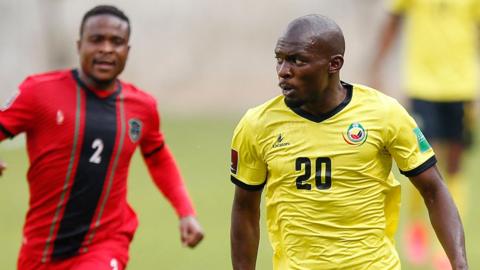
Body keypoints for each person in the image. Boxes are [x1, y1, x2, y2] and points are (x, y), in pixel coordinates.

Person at [229, 14, 468, 270]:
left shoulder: (384, 114)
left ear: (334, 64)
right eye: (279, 59)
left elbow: (434, 189)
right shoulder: (257, 125)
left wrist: (459, 263)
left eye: (297, 60)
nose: (283, 72)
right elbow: (244, 209)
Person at [0, 5, 203, 270]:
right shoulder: (38, 93)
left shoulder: (142, 107)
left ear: (127, 51)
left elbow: (158, 157)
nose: (106, 49)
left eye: (116, 42)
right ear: (79, 45)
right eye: (96, 40)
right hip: (41, 249)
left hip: (106, 244)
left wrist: (186, 211)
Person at [370, 0, 478, 267]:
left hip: (461, 86)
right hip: (422, 85)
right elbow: (393, 20)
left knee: (454, 165)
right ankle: (417, 224)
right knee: (421, 162)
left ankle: (445, 250)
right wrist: (377, 65)